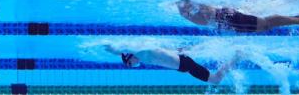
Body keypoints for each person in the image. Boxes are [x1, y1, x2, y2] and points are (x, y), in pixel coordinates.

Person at [103, 44, 242, 84]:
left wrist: (111, 48)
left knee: (216, 79)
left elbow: (123, 50)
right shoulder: (142, 55)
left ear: (130, 59)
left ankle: (237, 56)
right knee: (215, 78)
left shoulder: (140, 54)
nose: (135, 65)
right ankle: (235, 55)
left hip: (184, 64)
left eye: (131, 65)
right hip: (182, 62)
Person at [176, 0, 299, 33]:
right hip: (226, 19)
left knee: (264, 24)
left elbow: (207, 10)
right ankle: (298, 18)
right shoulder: (185, 7)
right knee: (263, 23)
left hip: (227, 19)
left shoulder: (184, 6)